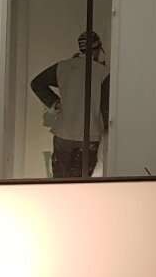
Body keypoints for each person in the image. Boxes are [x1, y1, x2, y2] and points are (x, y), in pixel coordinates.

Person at [31, 31, 110, 178]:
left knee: (60, 180)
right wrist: (106, 127)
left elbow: (37, 83)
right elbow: (106, 107)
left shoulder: (63, 67)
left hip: (63, 134)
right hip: (89, 136)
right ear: (97, 49)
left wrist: (55, 103)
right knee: (80, 182)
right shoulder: (103, 72)